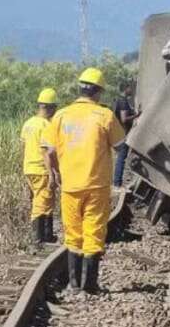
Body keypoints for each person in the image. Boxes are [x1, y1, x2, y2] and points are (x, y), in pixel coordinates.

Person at [40, 68, 122, 295]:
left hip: (70, 186)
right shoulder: (104, 115)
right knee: (94, 231)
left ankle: (74, 285)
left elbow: (48, 150)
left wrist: (54, 172)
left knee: (73, 233)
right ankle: (91, 285)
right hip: (97, 185)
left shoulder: (61, 116)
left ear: (80, 89)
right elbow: (120, 145)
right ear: (98, 92)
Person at [20, 88, 59, 244]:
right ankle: (37, 239)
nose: (55, 111)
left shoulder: (28, 123)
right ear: (49, 107)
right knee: (40, 204)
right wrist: (52, 173)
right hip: (41, 170)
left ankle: (47, 236)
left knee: (45, 201)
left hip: (29, 169)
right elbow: (46, 152)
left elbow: (23, 147)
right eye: (54, 107)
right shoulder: (45, 125)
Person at [111, 82, 138, 188]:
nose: (131, 90)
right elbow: (123, 119)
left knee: (121, 158)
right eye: (129, 87)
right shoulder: (122, 101)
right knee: (121, 158)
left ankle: (117, 182)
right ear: (125, 89)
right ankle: (117, 183)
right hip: (123, 134)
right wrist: (137, 115)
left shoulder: (119, 100)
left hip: (120, 134)